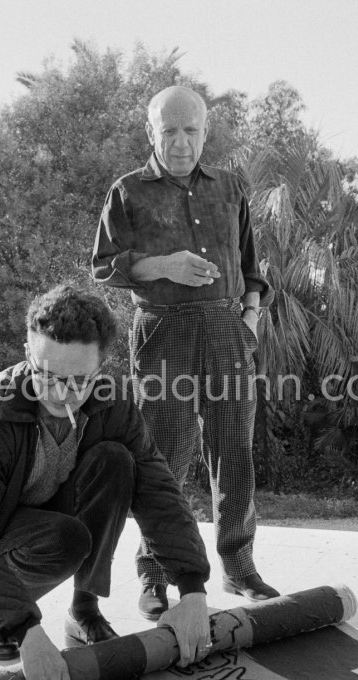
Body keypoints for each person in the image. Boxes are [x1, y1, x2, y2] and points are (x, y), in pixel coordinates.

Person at [0, 285, 211, 680]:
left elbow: (158, 490)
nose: (61, 393)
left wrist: (193, 591)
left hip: (56, 520)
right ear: (27, 351)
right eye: (47, 375)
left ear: (101, 367)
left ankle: (84, 611)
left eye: (80, 380)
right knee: (64, 540)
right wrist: (26, 631)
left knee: (118, 460)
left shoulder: (113, 402)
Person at [92, 85, 279, 622]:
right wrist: (163, 265)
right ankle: (154, 572)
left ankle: (238, 566)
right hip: (162, 329)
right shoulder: (127, 191)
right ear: (150, 132)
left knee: (234, 450)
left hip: (227, 328)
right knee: (163, 456)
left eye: (190, 130)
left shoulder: (230, 188)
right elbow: (103, 266)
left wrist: (249, 319)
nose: (180, 142)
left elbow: (251, 267)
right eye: (168, 131)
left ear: (205, 131)